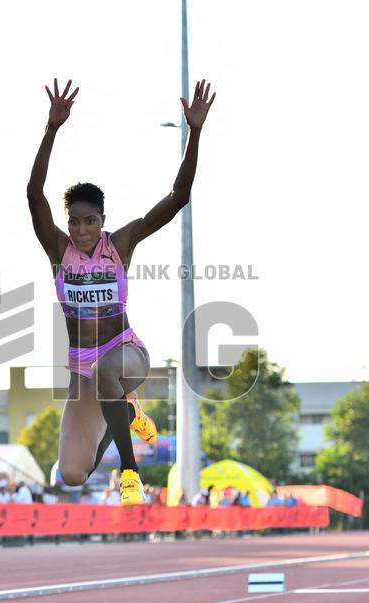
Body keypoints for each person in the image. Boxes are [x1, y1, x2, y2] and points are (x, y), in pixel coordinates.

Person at [28, 78, 215, 506]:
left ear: (102, 220)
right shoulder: (59, 250)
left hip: (125, 354)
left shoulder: (121, 244)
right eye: (74, 221)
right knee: (72, 475)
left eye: (89, 221)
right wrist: (51, 129)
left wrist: (196, 133)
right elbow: (33, 195)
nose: (81, 230)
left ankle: (130, 471)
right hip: (84, 373)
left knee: (109, 371)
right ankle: (127, 414)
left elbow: (178, 196)